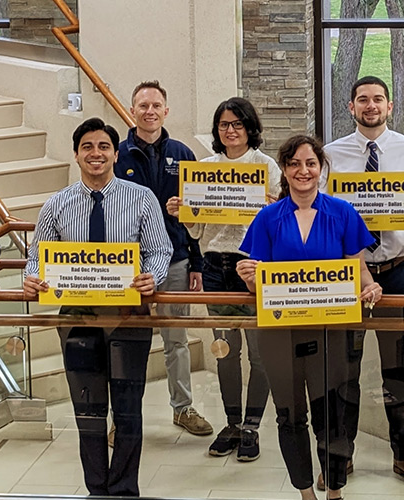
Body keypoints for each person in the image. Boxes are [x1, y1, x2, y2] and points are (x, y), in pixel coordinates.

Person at [23, 117, 172, 496]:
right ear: (76, 154)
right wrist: (31, 276)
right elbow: (37, 255)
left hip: (128, 318)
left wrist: (151, 276)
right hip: (77, 318)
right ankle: (96, 490)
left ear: (115, 153)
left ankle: (123, 489)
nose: (96, 153)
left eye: (103, 146)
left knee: (127, 409)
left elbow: (160, 250)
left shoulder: (141, 198)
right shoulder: (57, 204)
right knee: (87, 411)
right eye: (87, 146)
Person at [236, 135, 383, 500]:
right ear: (284, 170)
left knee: (331, 413)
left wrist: (371, 287)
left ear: (321, 169)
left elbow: (356, 269)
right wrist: (250, 280)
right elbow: (260, 286)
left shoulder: (343, 212)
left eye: (311, 164)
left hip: (329, 330)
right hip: (279, 332)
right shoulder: (267, 218)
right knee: (289, 415)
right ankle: (305, 491)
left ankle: (334, 490)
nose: (303, 171)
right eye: (295, 164)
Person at [323, 76, 404, 490]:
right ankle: (340, 456)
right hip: (347, 278)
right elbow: (318, 214)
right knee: (342, 372)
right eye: (362, 100)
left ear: (389, 106)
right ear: (350, 107)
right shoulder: (331, 156)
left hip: (399, 274)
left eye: (378, 99)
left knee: (397, 371)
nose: (371, 106)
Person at [167, 97, 280, 461]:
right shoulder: (204, 167)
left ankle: (252, 426)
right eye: (223, 125)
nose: (230, 130)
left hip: (253, 266)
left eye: (237, 124)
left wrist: (271, 204)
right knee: (225, 351)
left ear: (250, 127)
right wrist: (183, 212)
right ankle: (231, 423)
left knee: (260, 354)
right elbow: (198, 230)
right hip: (216, 267)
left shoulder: (267, 167)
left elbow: (280, 222)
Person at [114, 80, 212, 437]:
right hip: (126, 268)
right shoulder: (117, 155)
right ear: (132, 111)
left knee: (177, 341)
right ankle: (123, 418)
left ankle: (183, 408)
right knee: (126, 344)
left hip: (174, 261)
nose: (150, 111)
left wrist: (196, 262)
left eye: (156, 105)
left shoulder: (183, 154)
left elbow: (197, 215)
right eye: (143, 106)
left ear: (166, 111)